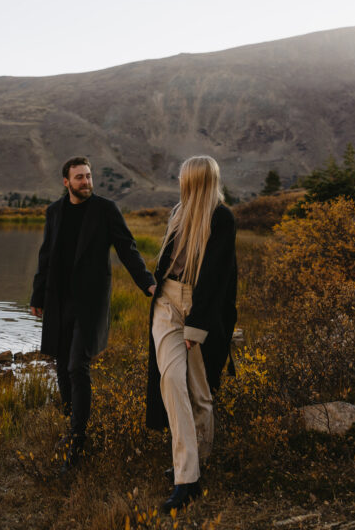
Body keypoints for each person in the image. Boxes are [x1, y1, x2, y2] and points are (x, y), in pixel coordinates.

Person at [30, 156, 156, 469]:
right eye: (79, 178)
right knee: (61, 366)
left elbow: (128, 249)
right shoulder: (55, 212)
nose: (86, 182)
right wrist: (37, 295)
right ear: (66, 182)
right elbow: (46, 256)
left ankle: (77, 437)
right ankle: (72, 422)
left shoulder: (105, 210)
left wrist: (148, 284)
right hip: (59, 301)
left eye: (88, 177)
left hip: (91, 302)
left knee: (77, 366)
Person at [146, 155, 237, 513]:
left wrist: (197, 327)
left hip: (199, 308)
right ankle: (187, 478)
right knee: (172, 382)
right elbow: (169, 262)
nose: (181, 183)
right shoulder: (178, 212)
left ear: (198, 180)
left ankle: (198, 461)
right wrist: (153, 286)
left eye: (186, 178)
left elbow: (217, 278)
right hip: (168, 303)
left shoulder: (221, 218)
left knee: (200, 391)